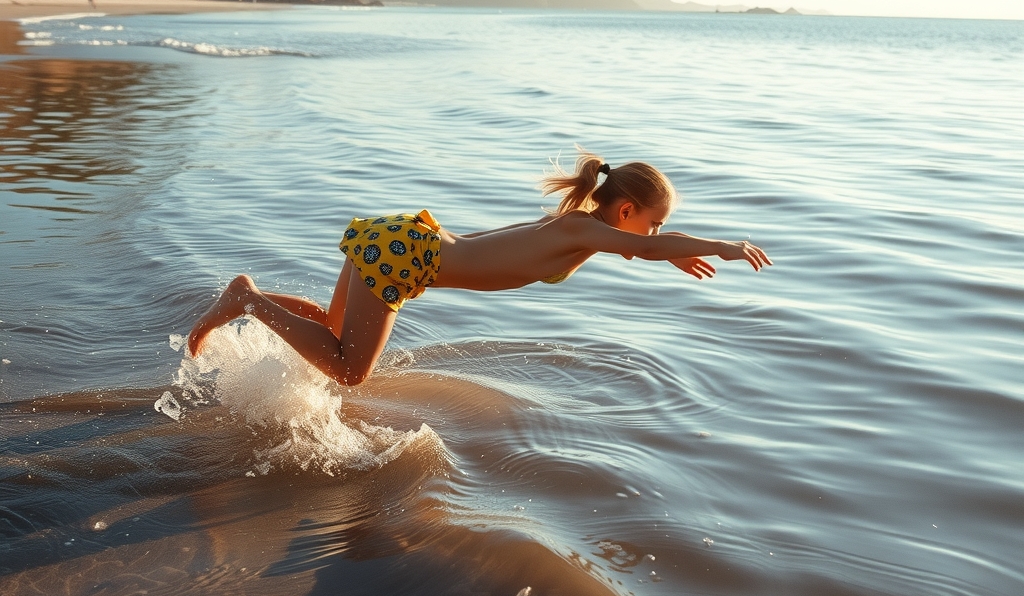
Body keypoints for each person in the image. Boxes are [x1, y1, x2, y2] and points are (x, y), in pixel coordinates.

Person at [187, 152, 771, 385]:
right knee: (349, 371)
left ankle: (248, 300)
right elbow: (640, 248)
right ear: (625, 209)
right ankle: (247, 300)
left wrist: (670, 252)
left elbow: (638, 247)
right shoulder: (583, 229)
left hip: (405, 241)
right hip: (405, 255)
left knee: (332, 331)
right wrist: (723, 246)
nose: (657, 236)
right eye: (656, 223)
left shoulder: (580, 230)